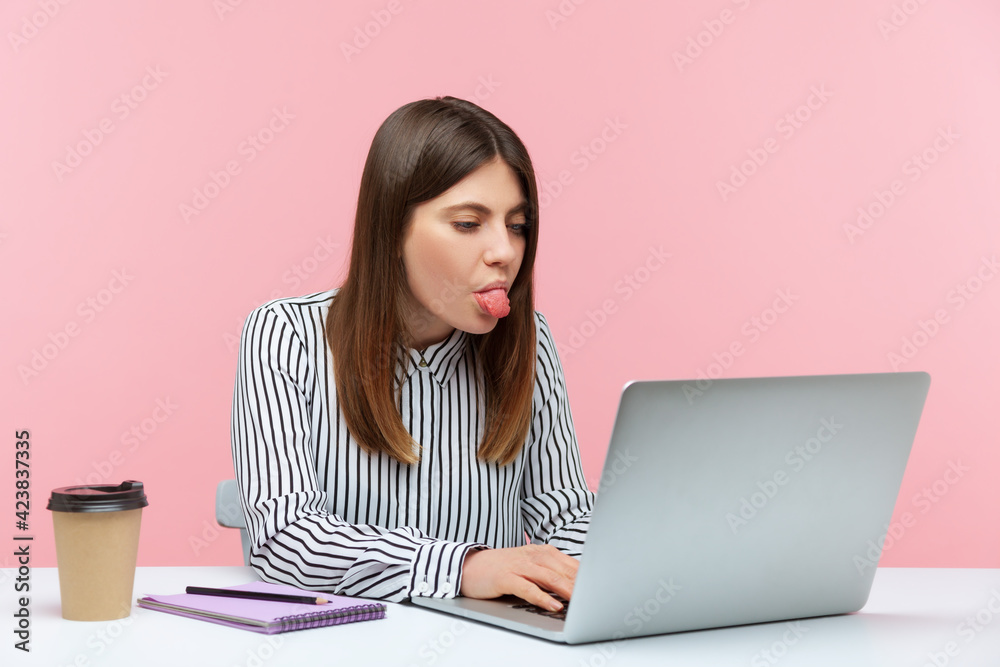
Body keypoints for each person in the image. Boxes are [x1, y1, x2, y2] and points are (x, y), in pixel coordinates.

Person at [231, 96, 594, 613]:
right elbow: (287, 541)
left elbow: (564, 517)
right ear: (392, 229)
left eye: (517, 225)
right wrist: (466, 568)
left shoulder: (530, 341)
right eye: (469, 224)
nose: (506, 252)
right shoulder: (286, 335)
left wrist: (613, 572)